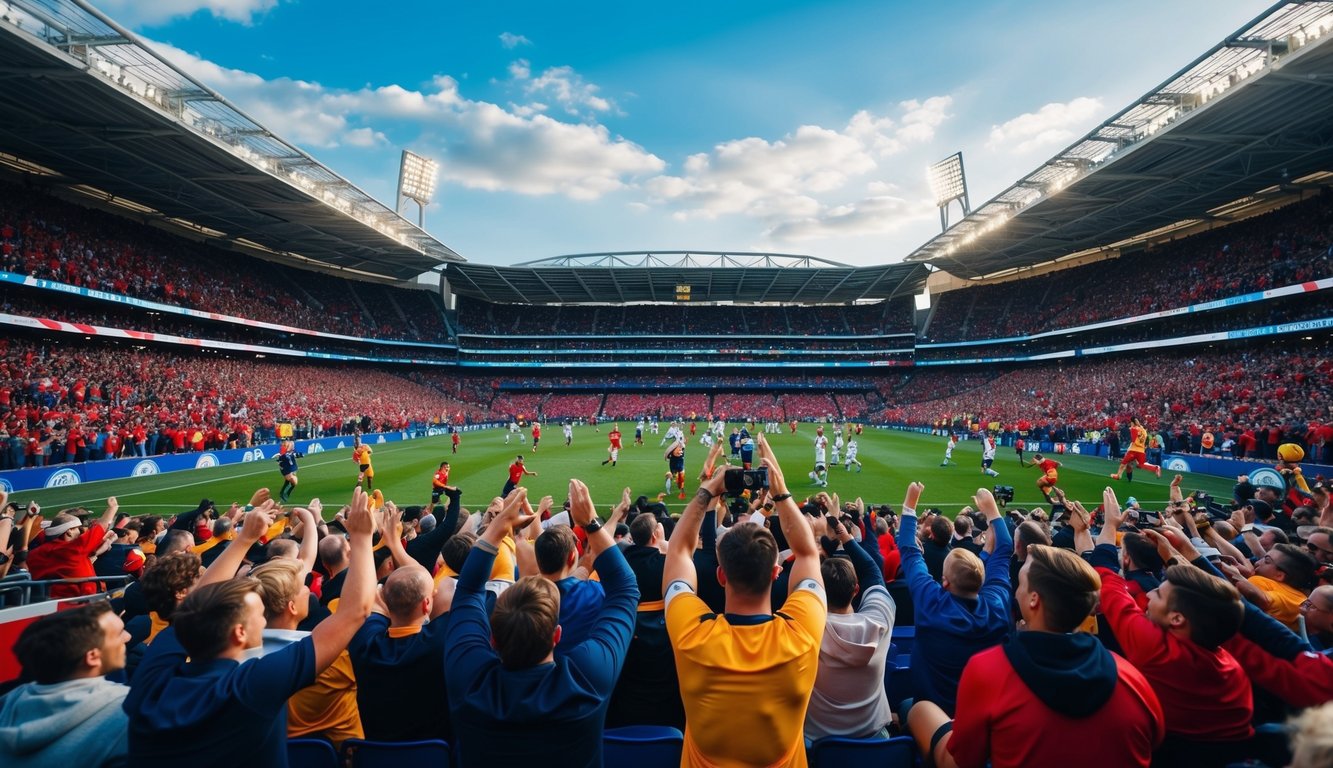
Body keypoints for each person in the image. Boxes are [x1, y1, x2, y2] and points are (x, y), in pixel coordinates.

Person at [123, 489, 377, 767]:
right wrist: (362, 539)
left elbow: (194, 604)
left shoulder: (151, 679)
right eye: (258, 612)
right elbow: (354, 613)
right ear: (239, 633)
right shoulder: (249, 686)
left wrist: (244, 538)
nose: (264, 617)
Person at [907, 545, 1165, 768]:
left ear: (1033, 600)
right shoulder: (1133, 679)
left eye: (1020, 582)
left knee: (918, 708)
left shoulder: (988, 670)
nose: (1015, 590)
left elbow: (961, 762)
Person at [444, 482, 638, 767]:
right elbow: (624, 590)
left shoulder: (468, 678)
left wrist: (497, 525)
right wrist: (591, 523)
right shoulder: (586, 678)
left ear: (493, 639)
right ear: (556, 636)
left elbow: (469, 590)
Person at [664, 434, 826, 767]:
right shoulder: (803, 637)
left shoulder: (691, 637)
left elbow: (678, 551)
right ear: (776, 572)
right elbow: (808, 551)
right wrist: (779, 491)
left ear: (721, 575)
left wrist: (708, 491)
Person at [1086, 487, 1252, 765]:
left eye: (1160, 594)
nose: (1150, 595)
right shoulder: (1231, 662)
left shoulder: (1157, 649)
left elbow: (1107, 579)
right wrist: (1173, 553)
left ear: (1177, 619)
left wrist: (1111, 525)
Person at [896, 483, 1012, 715]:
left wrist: (910, 503)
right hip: (982, 714)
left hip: (933, 714)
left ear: (945, 582)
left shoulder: (931, 601)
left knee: (906, 707)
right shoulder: (997, 605)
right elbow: (1005, 548)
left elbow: (909, 549)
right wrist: (992, 511)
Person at [347, 507, 454, 745]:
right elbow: (446, 587)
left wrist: (367, 540)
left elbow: (367, 598)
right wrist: (395, 544)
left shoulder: (364, 644)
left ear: (383, 600)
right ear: (427, 604)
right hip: (433, 758)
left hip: (376, 757)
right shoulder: (441, 641)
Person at [0, 602, 131, 768]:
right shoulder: (127, 709)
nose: (128, 637)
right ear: (92, 657)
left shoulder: (10, 699)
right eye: (119, 634)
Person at [248, 558, 362, 748]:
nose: (308, 589)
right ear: (291, 607)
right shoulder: (331, 658)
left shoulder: (235, 657)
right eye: (303, 586)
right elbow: (358, 611)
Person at [805, 517, 895, 741]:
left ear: (819, 593)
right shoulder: (880, 622)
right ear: (856, 590)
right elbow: (872, 571)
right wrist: (846, 538)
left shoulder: (806, 630)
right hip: (874, 738)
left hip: (817, 743)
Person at [28, 497, 120, 598]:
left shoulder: (39, 551)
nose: (81, 532)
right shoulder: (72, 550)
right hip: (81, 601)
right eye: (77, 529)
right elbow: (100, 526)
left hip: (53, 599)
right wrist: (112, 508)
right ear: (69, 531)